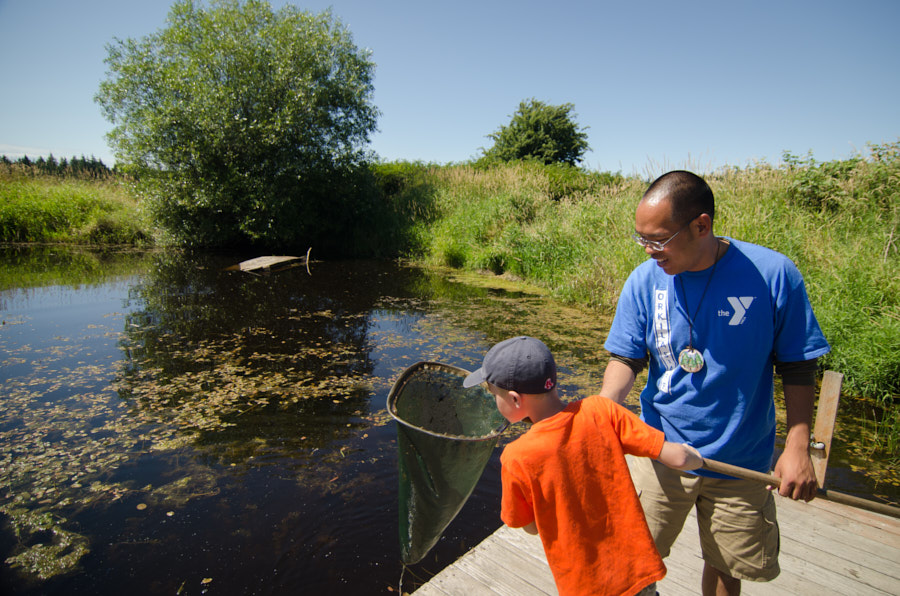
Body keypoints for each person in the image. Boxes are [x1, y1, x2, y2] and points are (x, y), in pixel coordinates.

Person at [601, 170, 831, 596]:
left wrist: (799, 447)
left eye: (658, 239)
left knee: (727, 566)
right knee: (629, 559)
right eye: (641, 239)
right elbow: (627, 357)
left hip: (740, 459)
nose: (650, 251)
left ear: (701, 225)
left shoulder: (772, 275)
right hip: (660, 451)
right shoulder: (644, 280)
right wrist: (603, 411)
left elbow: (797, 365)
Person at [463, 335, 702, 596]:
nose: (494, 401)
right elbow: (678, 458)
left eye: (493, 394)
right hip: (639, 572)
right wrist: (694, 457)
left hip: (585, 585)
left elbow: (529, 526)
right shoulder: (602, 410)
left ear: (515, 399)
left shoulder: (517, 456)